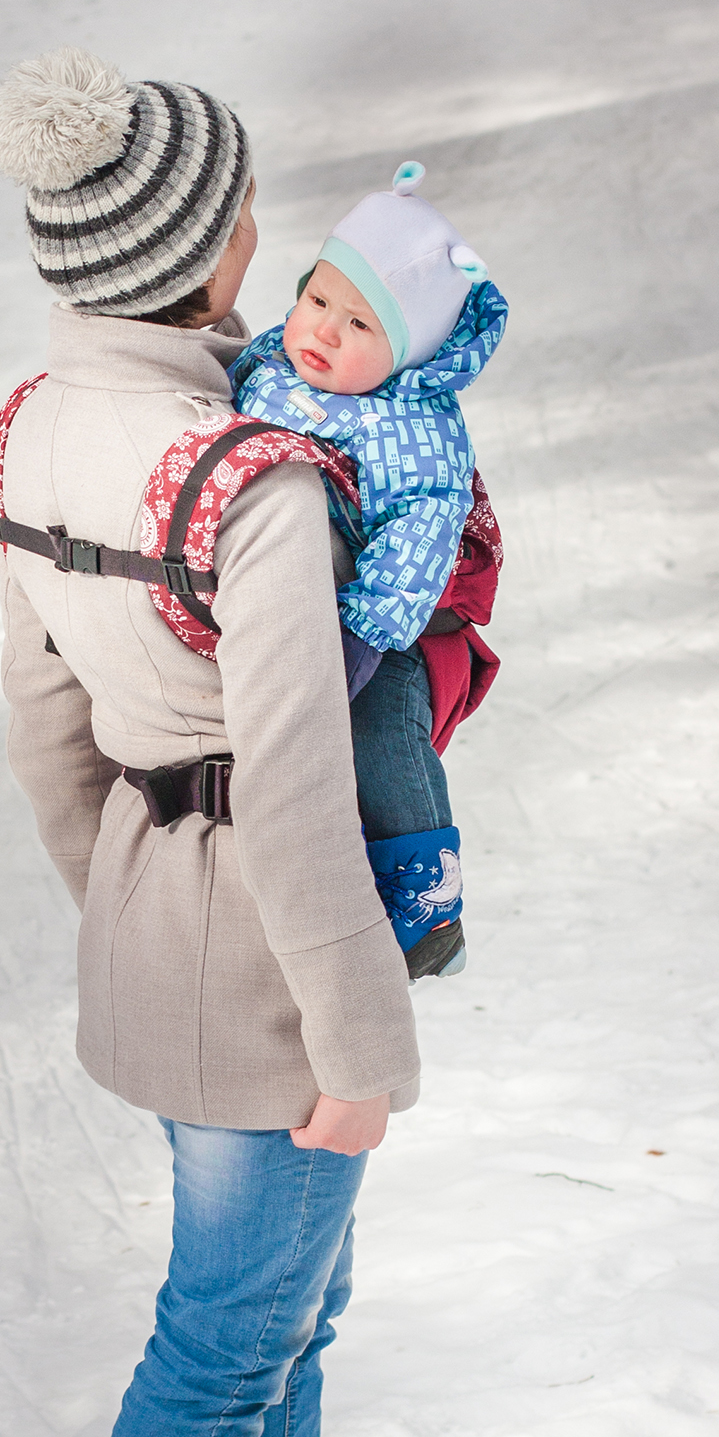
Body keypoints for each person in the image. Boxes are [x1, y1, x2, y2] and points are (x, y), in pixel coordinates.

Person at [0, 47, 421, 1437]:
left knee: (285, 1327)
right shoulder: (254, 481)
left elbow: (48, 738)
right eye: (245, 208)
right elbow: (293, 790)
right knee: (228, 1352)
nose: (260, 235)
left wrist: (127, 905)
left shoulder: (28, 432)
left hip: (153, 927)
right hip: (271, 976)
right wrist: (361, 1047)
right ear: (205, 244)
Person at [229, 165, 508, 980]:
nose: (321, 330)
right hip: (285, 590)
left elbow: (420, 545)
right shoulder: (270, 361)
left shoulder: (417, 432)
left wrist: (364, 634)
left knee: (381, 728)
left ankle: (429, 901)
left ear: (407, 350)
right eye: (317, 299)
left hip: (389, 624)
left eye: (359, 324)